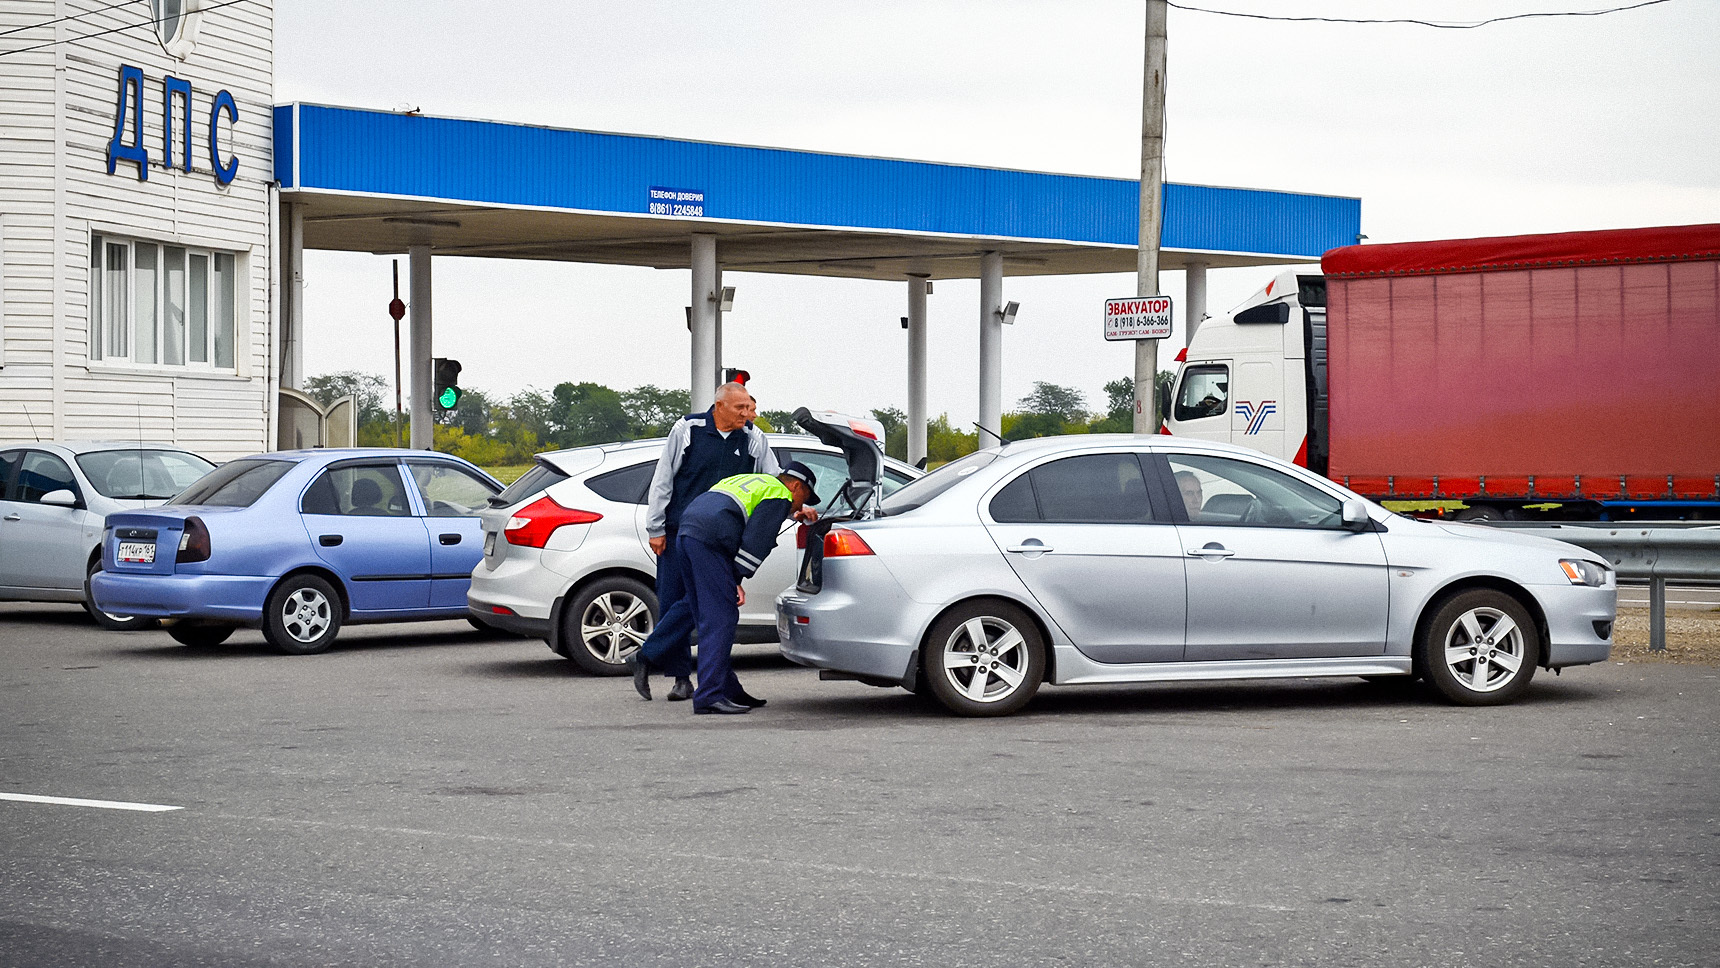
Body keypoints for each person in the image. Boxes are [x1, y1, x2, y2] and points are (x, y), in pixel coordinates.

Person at [631, 383, 780, 701]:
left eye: (748, 408)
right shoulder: (688, 429)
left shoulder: (753, 438)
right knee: (675, 602)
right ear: (719, 406)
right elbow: (663, 478)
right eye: (740, 408)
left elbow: (772, 480)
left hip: (720, 537)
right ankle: (681, 678)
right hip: (676, 532)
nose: (747, 414)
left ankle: (652, 657)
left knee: (704, 604)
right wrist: (655, 526)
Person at [669, 464, 819, 715]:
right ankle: (709, 696)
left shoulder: (754, 480)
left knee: (708, 619)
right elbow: (755, 543)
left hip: (687, 534)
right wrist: (735, 578)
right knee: (721, 619)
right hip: (710, 541)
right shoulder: (780, 494)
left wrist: (791, 515)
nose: (801, 505)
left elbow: (744, 510)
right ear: (796, 486)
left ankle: (727, 689)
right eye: (804, 498)